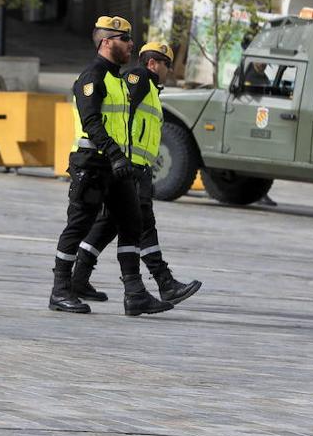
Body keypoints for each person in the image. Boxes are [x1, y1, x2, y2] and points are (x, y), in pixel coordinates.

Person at [49, 16, 173, 317]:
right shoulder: (92, 77)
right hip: (92, 164)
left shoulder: (117, 79)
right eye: (124, 39)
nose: (131, 44)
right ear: (106, 42)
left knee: (131, 224)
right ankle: (60, 291)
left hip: (117, 167)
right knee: (78, 226)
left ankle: (135, 293)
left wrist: (123, 159)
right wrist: (117, 155)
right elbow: (91, 122)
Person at [73, 41, 202, 306]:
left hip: (136, 167)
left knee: (109, 225)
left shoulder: (153, 89)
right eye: (166, 64)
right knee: (142, 222)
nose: (169, 70)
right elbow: (122, 117)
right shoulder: (140, 77)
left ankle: (79, 278)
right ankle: (162, 282)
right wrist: (122, 159)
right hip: (129, 167)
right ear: (152, 63)